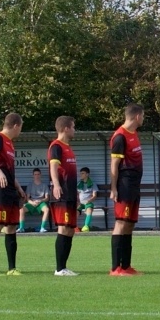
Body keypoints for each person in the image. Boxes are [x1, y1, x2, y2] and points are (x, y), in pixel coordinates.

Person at [0, 113, 24, 276]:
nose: (20, 131)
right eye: (20, 127)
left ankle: (12, 268)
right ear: (15, 125)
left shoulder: (10, 144)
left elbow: (8, 170)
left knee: (12, 226)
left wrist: (19, 187)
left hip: (9, 189)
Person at [108, 104, 145, 277]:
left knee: (129, 224)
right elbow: (114, 165)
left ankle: (126, 265)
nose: (143, 119)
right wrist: (114, 188)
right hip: (124, 185)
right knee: (121, 223)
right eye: (143, 116)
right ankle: (116, 268)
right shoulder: (120, 137)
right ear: (137, 116)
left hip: (134, 186)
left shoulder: (134, 134)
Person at [47, 116, 81, 276]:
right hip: (61, 193)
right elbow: (53, 166)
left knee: (70, 230)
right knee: (63, 227)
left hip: (71, 194)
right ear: (66, 128)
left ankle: (64, 267)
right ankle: (59, 269)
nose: (75, 130)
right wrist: (57, 184)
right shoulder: (56, 146)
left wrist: (77, 194)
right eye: (73, 127)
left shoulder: (68, 147)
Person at [24, 169, 50, 233]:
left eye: (38, 174)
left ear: (40, 175)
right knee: (21, 209)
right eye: (35, 174)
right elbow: (27, 198)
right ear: (33, 175)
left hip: (41, 203)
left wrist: (40, 201)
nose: (37, 176)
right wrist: (32, 202)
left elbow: (47, 198)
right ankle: (21, 228)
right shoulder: (30, 185)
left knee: (46, 209)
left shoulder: (44, 185)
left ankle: (42, 228)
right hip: (32, 202)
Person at [77, 167, 97, 232]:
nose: (81, 175)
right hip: (80, 203)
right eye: (80, 173)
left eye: (83, 173)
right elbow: (77, 194)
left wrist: (89, 201)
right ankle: (74, 227)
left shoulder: (92, 183)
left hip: (88, 202)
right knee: (75, 212)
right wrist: (78, 202)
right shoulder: (79, 183)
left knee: (89, 210)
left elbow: (94, 196)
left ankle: (86, 226)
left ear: (87, 174)